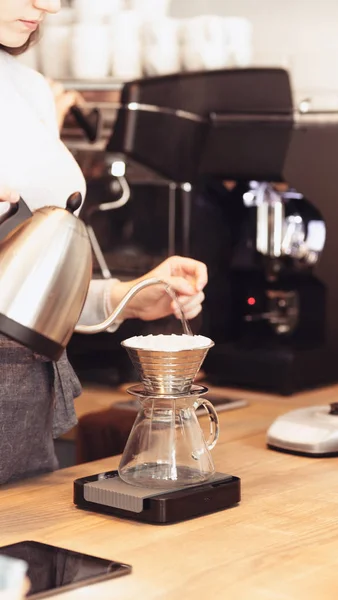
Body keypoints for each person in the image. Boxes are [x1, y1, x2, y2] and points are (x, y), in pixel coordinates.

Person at [0, 0, 208, 485]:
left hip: (23, 409)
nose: (49, 6)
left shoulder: (27, 89)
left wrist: (127, 298)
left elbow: (22, 291)